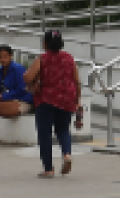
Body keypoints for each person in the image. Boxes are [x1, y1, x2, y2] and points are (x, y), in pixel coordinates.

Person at [23, 29, 81, 178]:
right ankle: (66, 154)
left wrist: (28, 77)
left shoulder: (42, 59)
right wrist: (77, 101)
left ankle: (48, 169)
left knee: (45, 134)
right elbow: (77, 81)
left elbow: (28, 78)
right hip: (67, 98)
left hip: (47, 99)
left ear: (45, 43)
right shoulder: (69, 58)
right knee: (63, 130)